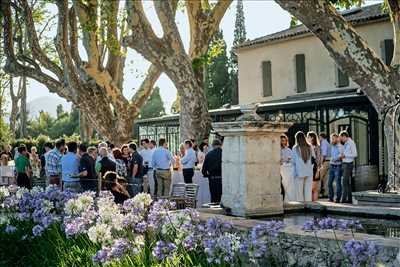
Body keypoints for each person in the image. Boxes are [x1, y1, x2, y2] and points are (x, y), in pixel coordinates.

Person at [292, 131, 314, 202]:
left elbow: (293, 161)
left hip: (299, 172)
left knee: (299, 193)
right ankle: (308, 206)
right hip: (309, 171)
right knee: (308, 192)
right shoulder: (310, 146)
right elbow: (313, 158)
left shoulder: (295, 148)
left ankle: (301, 207)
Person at [202, 139, 223, 204]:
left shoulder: (209, 154)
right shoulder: (224, 153)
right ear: (220, 145)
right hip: (222, 178)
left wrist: (206, 175)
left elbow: (204, 169)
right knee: (221, 196)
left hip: (212, 178)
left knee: (214, 196)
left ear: (213, 145)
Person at [339, 131, 358, 203]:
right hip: (344, 163)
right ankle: (349, 198)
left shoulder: (351, 143)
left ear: (344, 136)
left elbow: (355, 154)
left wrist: (345, 155)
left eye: (342, 138)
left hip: (348, 164)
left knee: (344, 181)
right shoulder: (346, 144)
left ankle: (343, 199)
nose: (341, 140)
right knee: (347, 182)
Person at [328, 133, 344, 202]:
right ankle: (330, 198)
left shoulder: (340, 146)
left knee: (338, 183)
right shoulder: (331, 146)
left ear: (337, 139)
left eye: (333, 139)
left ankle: (338, 198)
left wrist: (336, 158)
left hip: (338, 166)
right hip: (331, 166)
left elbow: (342, 155)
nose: (332, 140)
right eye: (331, 139)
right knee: (329, 183)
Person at [307, 131, 322, 201]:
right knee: (310, 188)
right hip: (309, 168)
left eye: (308, 137)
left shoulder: (317, 147)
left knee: (314, 188)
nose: (307, 138)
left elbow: (319, 159)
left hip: (315, 168)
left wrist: (318, 171)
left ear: (312, 138)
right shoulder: (308, 146)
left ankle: (314, 203)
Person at [280, 134, 294, 203]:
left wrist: (289, 160)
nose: (283, 142)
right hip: (280, 169)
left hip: (287, 169)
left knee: (287, 183)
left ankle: (287, 198)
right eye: (282, 141)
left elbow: (292, 159)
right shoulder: (277, 149)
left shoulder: (289, 149)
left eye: (284, 141)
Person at [319, 132, 331, 197]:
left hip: (325, 162)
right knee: (325, 178)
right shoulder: (328, 143)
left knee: (319, 177)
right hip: (329, 161)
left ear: (321, 137)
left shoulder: (323, 143)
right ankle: (326, 193)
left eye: (319, 137)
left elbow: (323, 154)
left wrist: (320, 163)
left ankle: (317, 193)